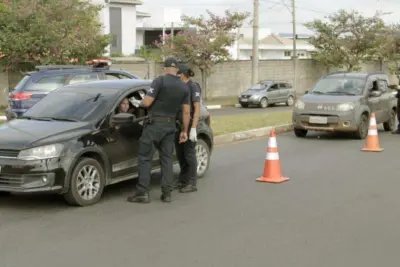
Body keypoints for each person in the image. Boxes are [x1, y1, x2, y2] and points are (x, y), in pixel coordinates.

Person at [126, 57, 191, 203]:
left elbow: (148, 102)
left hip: (154, 125)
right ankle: (167, 193)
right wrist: (184, 131)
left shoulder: (159, 81)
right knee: (166, 159)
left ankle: (142, 193)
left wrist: (139, 102)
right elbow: (186, 112)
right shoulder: (184, 87)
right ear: (177, 70)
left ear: (165, 68)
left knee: (145, 158)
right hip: (170, 126)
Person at [175, 64, 201, 193]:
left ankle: (192, 182)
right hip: (180, 125)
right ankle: (183, 180)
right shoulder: (180, 87)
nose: (176, 77)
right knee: (181, 154)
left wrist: (193, 128)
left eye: (178, 75)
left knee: (189, 154)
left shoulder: (193, 86)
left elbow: (197, 108)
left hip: (190, 124)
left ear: (183, 74)